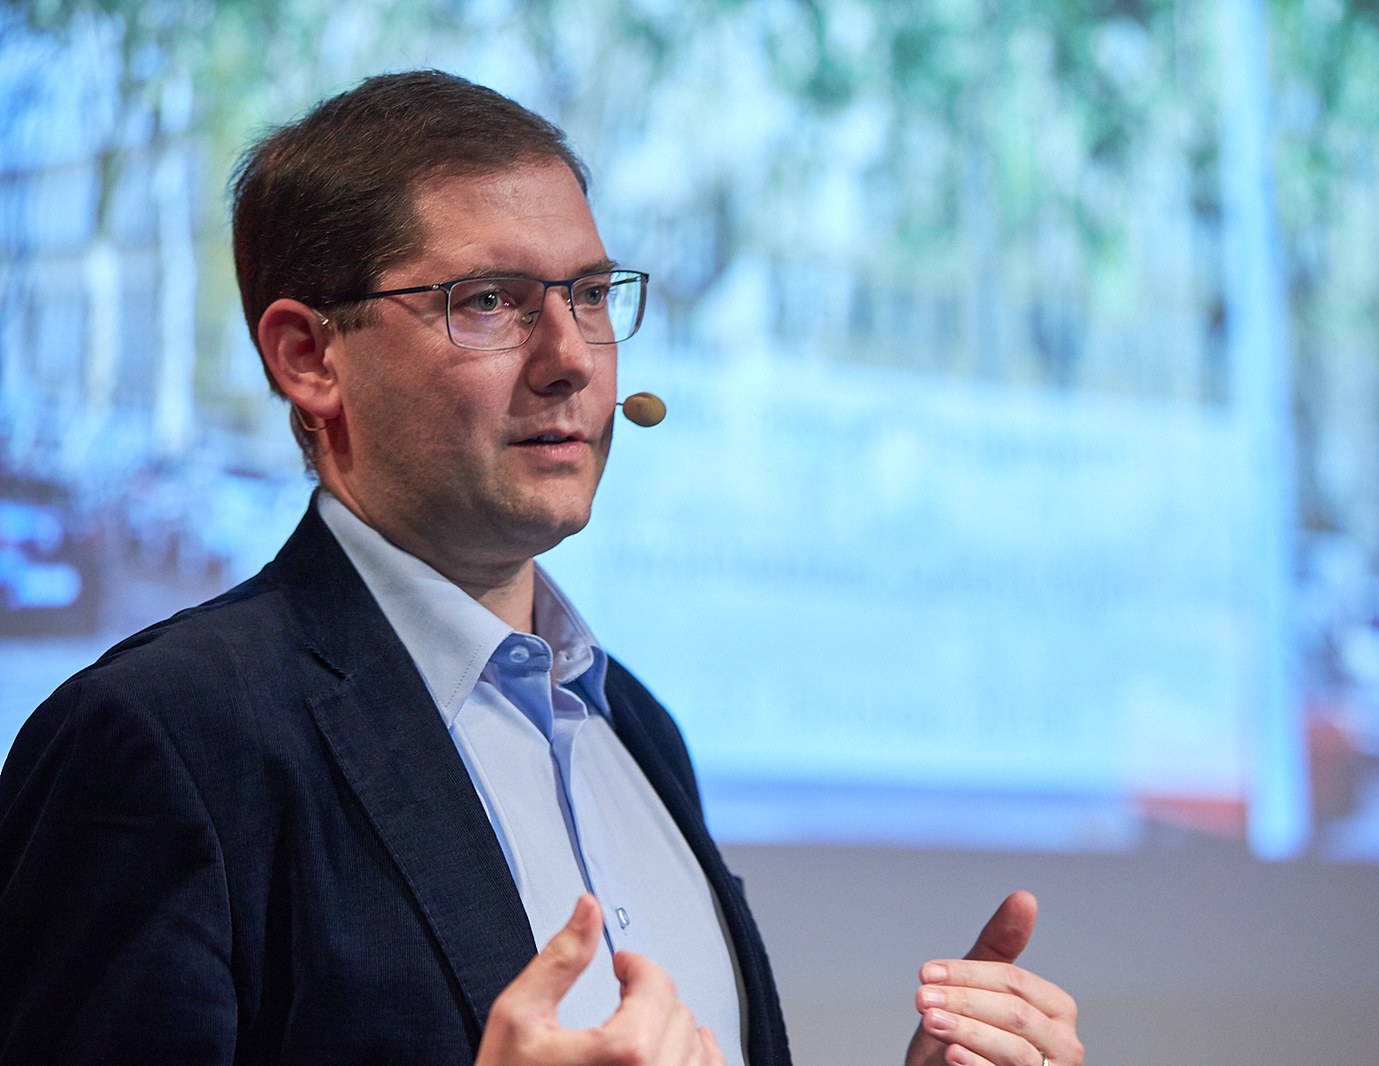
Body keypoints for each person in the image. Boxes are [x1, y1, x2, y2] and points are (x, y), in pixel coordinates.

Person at [0, 70, 1082, 1066]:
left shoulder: (638, 731)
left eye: (593, 295)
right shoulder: (162, 740)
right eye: (489, 301)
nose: (571, 359)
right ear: (308, 355)